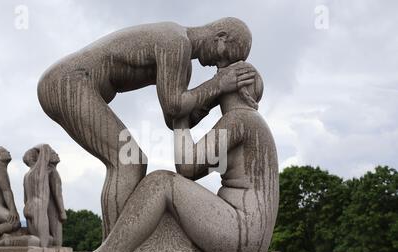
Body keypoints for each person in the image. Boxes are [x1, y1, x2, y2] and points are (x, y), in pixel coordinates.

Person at [37, 17, 257, 239]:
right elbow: (175, 105)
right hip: (67, 82)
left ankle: (115, 249)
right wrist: (217, 85)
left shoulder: (183, 63)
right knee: (128, 161)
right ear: (220, 37)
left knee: (132, 160)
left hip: (70, 83)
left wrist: (212, 96)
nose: (220, 67)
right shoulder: (176, 41)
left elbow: (174, 118)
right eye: (226, 57)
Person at [53, 61, 279, 252]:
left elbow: (187, 167)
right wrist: (197, 110)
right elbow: (198, 170)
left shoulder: (240, 119)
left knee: (160, 182)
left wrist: (180, 112)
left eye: (223, 77)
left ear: (238, 87)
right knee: (164, 199)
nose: (217, 81)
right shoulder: (252, 122)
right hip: (249, 236)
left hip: (241, 231)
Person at [23, 144, 53, 247]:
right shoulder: (38, 170)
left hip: (28, 206)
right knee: (43, 244)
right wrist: (36, 148)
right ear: (33, 157)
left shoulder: (27, 175)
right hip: (38, 207)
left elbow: (24, 197)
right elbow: (45, 148)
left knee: (37, 242)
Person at [47, 150, 67, 246]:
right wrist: (62, 212)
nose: (57, 154)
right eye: (53, 154)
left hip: (47, 208)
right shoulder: (53, 172)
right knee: (57, 240)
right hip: (53, 209)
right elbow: (57, 194)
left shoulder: (46, 172)